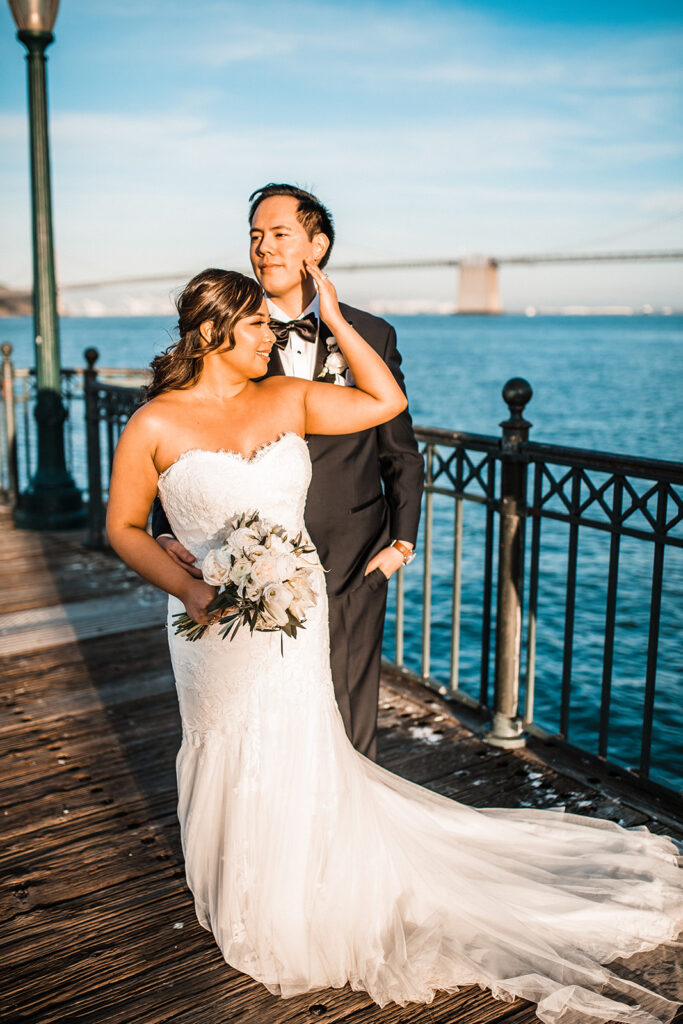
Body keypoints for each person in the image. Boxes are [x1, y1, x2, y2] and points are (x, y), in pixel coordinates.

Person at [107, 266, 682, 1024]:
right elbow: (121, 527)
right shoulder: (154, 423)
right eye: (254, 326)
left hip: (294, 611)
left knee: (295, 742)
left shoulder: (288, 397)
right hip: (210, 625)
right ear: (213, 333)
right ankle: (246, 886)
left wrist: (338, 321)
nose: (270, 337)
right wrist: (189, 589)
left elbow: (386, 402)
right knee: (226, 744)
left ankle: (301, 886)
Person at [151, 183, 424, 761]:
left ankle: (347, 842)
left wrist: (402, 542)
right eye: (255, 236)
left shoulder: (371, 334)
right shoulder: (231, 335)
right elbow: (182, 430)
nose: (263, 249)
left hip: (353, 553)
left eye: (279, 235)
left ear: (316, 246)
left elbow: (398, 446)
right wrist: (167, 526)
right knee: (259, 710)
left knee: (351, 712)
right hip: (246, 553)